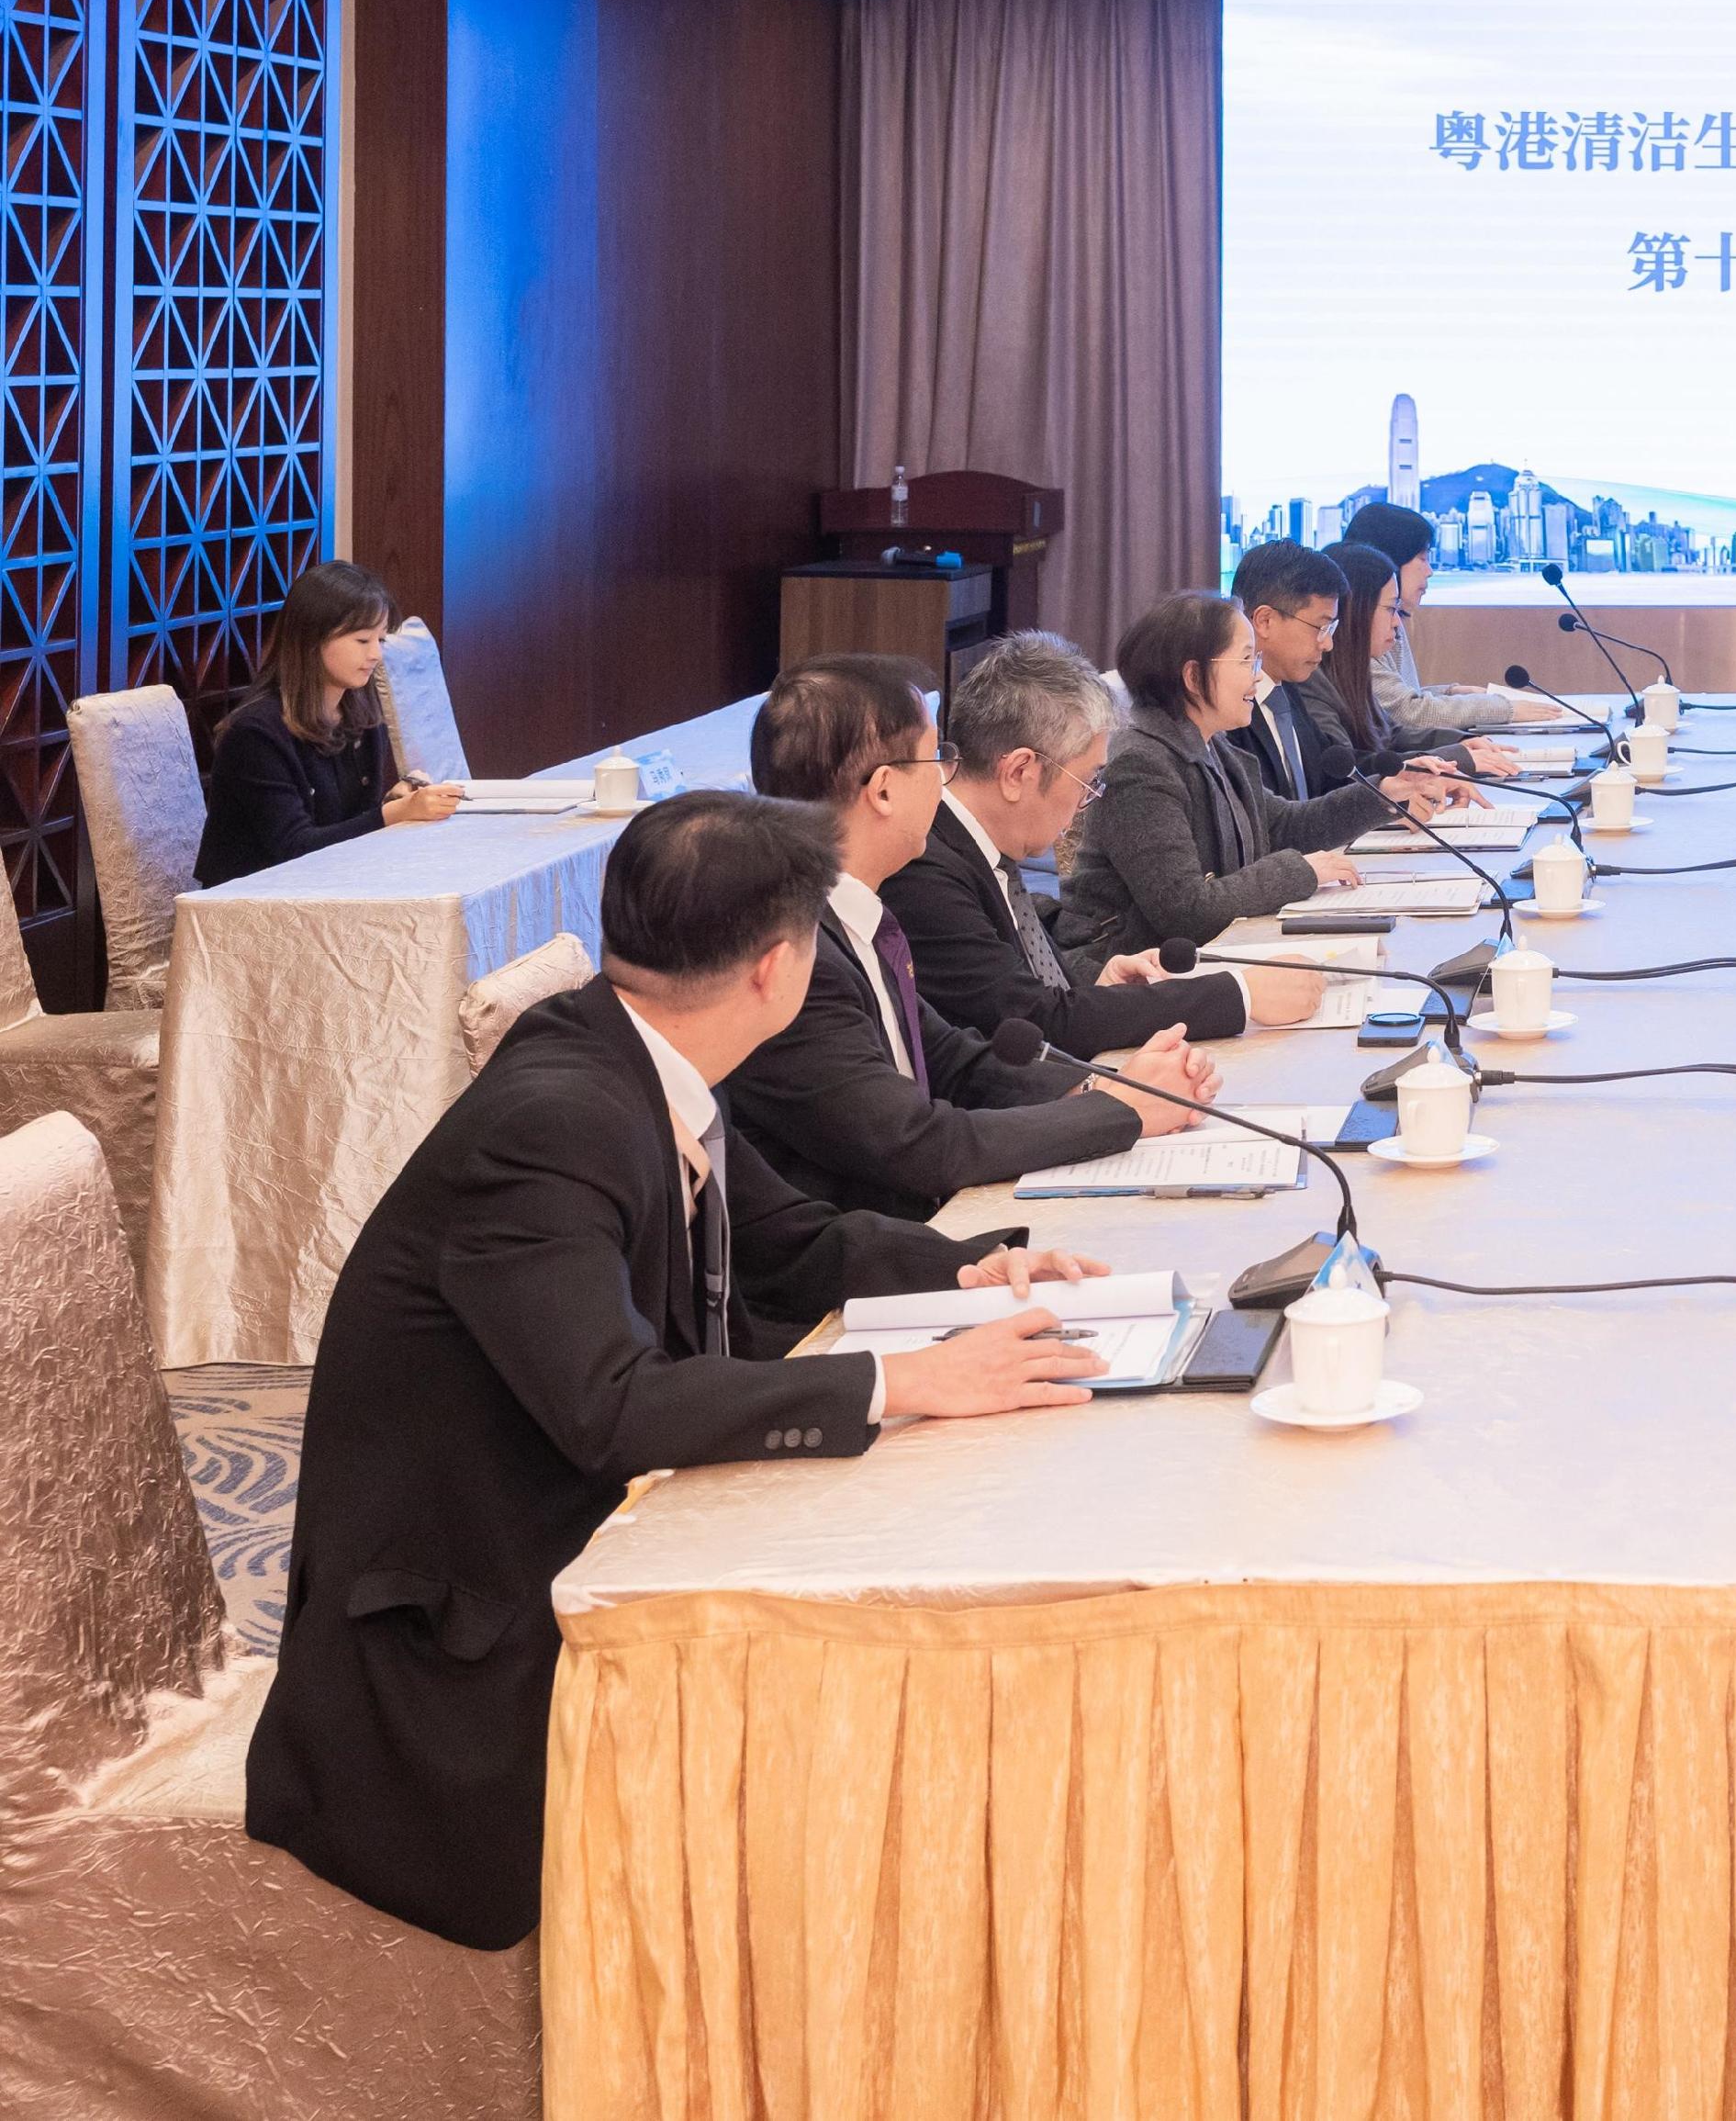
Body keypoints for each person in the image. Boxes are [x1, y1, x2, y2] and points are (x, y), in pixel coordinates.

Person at [244, 791, 1116, 1949]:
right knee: (871, 1692)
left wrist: (976, 1270)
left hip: (569, 1540)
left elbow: (790, 1238)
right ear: (778, 967)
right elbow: (613, 1406)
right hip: (461, 1658)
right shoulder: (551, 1120)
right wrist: (899, 1384)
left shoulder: (631, 1051)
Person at [722, 656, 1211, 1221]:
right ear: (883, 791)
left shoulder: (854, 912)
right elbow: (916, 1143)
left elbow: (956, 1060)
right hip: (858, 1264)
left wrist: (1099, 1087)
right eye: (936, 758)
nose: (947, 774)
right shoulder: (792, 955)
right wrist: (1118, 1109)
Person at [883, 631, 1324, 1049]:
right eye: (1089, 780)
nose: (1088, 802)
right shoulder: (926, 871)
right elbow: (1034, 1020)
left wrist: (1094, 977)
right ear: (1019, 772)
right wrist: (1239, 996)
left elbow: (1020, 983)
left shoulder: (983, 842)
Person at [1055, 589, 1444, 959]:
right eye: (1246, 661)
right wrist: (1300, 870)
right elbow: (1186, 911)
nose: (1257, 677)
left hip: (1213, 955)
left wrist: (1381, 795)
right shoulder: (1140, 764)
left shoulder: (1211, 744)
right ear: (1193, 677)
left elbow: (1284, 825)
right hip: (1129, 976)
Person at [196, 559, 463, 884]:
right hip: (252, 904)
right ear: (313, 640)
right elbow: (294, 849)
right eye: (363, 641)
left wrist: (394, 803)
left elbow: (349, 826)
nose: (376, 655)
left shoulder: (360, 711)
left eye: (381, 640)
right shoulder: (254, 734)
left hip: (331, 886)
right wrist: (391, 815)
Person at [1341, 500, 1581, 736]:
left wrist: (1448, 693)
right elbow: (1408, 713)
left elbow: (1396, 698)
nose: (1430, 571)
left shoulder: (1391, 619)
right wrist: (1504, 709)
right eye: (1423, 559)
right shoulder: (1355, 631)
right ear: (1388, 559)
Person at [1315, 540, 1521, 781]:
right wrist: (1458, 758)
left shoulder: (1351, 669)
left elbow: (1390, 735)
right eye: (1391, 609)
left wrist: (1461, 742)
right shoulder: (1314, 681)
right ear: (1357, 610)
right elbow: (1347, 770)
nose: (1396, 623)